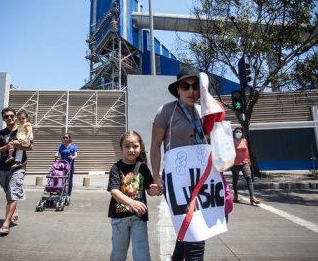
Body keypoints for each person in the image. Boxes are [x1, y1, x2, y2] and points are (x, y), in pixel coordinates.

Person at [151, 66, 228, 261]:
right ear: (178, 89)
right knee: (195, 227)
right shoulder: (166, 111)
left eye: (195, 86)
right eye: (185, 86)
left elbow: (216, 141)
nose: (191, 91)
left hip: (202, 178)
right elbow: (155, 144)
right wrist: (156, 176)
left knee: (189, 224)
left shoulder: (204, 111)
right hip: (177, 180)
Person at [107, 130, 159, 261]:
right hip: (119, 219)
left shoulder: (143, 168)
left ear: (140, 147)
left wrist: (156, 189)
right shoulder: (115, 168)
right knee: (118, 254)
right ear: (121, 148)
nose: (131, 149)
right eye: (127, 146)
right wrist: (132, 202)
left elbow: (149, 190)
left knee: (142, 254)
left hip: (138, 218)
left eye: (135, 146)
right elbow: (114, 191)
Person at [0, 107, 33, 235]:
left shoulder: (22, 129)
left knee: (13, 192)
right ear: (3, 119)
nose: (9, 118)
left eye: (11, 116)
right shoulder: (0, 133)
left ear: (15, 116)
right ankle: (14, 209)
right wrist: (6, 147)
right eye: (6, 117)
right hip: (3, 167)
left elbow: (31, 148)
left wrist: (19, 145)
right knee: (7, 191)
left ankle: (6, 223)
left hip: (19, 166)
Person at [231, 127, 260, 205]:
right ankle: (236, 195)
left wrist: (249, 161)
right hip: (235, 162)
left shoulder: (245, 141)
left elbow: (247, 152)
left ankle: (252, 197)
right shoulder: (231, 142)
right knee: (235, 179)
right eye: (237, 132)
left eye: (240, 132)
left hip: (245, 162)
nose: (238, 133)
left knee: (249, 178)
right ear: (234, 133)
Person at [54, 132, 78, 202]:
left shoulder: (73, 146)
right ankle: (62, 192)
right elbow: (58, 152)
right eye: (64, 137)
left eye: (66, 138)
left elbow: (76, 154)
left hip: (70, 165)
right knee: (61, 179)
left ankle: (69, 194)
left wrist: (73, 157)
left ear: (69, 139)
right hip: (62, 165)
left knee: (69, 180)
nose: (64, 139)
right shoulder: (61, 145)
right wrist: (56, 154)